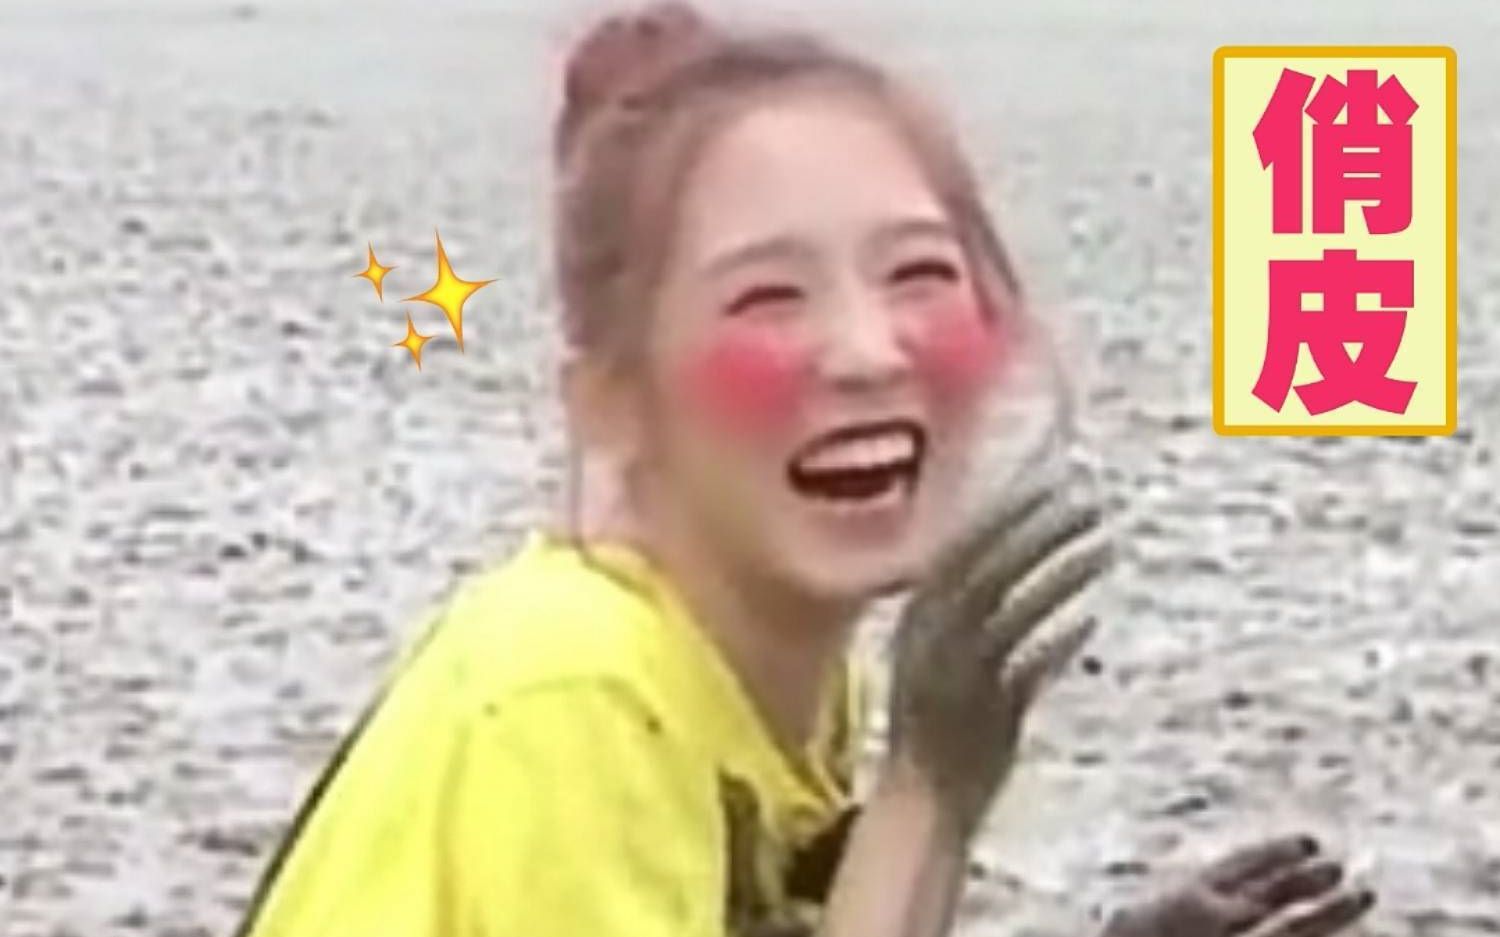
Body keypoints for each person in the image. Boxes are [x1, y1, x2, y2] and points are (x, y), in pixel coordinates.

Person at [233, 5, 1377, 936]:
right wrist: (926, 795)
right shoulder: (571, 696)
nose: (869, 352)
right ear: (613, 401)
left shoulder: (781, 676)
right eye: (769, 298)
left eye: (920, 275)